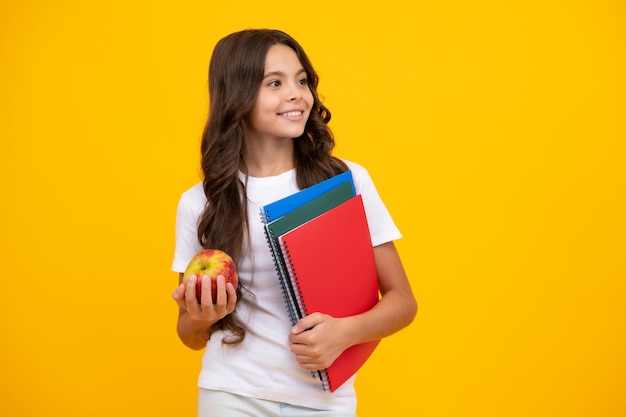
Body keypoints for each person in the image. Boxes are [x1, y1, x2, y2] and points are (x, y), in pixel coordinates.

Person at [171, 28, 417, 417]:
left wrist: (345, 334)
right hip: (231, 395)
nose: (297, 94)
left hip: (324, 401)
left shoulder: (344, 182)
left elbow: (403, 302)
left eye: (302, 80)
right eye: (275, 82)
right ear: (238, 96)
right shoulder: (200, 201)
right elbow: (189, 335)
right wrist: (202, 318)